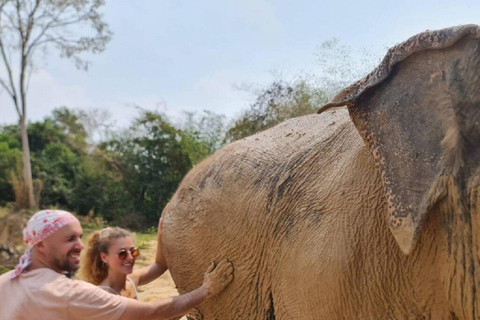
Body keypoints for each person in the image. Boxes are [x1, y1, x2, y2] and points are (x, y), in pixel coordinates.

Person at [0, 210, 234, 320]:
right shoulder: (75, 293)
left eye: (133, 251)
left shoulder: (7, 281)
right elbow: (153, 312)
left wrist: (163, 230)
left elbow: (159, 266)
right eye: (70, 239)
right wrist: (206, 290)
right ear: (40, 244)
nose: (80, 246)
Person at [79, 226, 165, 299]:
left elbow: (160, 265)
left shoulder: (131, 280)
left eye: (133, 251)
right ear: (104, 257)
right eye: (122, 254)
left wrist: (162, 236)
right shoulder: (103, 296)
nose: (130, 258)